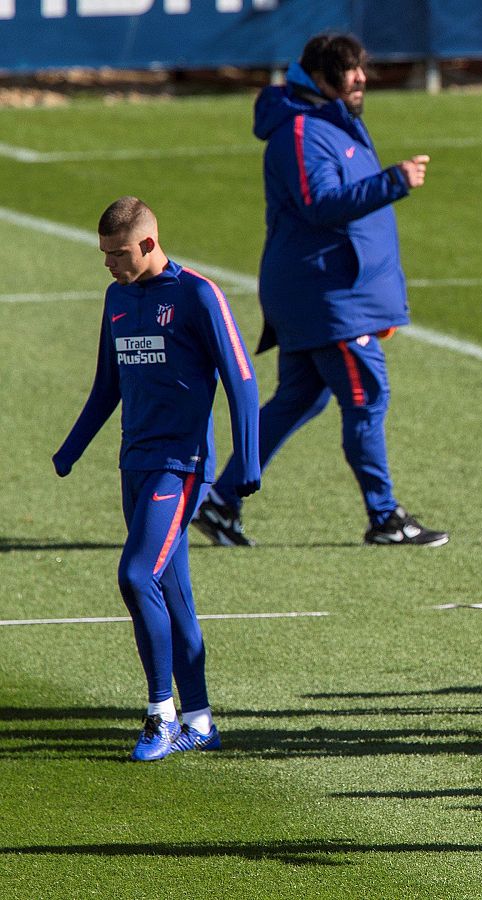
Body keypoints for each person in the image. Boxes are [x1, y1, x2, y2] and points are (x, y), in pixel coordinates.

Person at [194, 32, 445, 548]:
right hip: (327, 298)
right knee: (367, 397)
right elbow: (319, 204)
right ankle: (384, 517)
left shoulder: (331, 123)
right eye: (348, 70)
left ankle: (220, 501)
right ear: (321, 77)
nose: (361, 78)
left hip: (329, 292)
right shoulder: (302, 130)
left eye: (362, 67)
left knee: (298, 400)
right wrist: (393, 181)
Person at [54, 197, 260, 761]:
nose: (109, 264)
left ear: (148, 243)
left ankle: (160, 713)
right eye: (103, 254)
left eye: (118, 253)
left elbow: (241, 379)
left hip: (182, 466)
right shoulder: (117, 298)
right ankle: (200, 720)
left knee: (135, 574)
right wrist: (71, 449)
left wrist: (249, 461)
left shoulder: (197, 294)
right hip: (135, 465)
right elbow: (107, 386)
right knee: (172, 594)